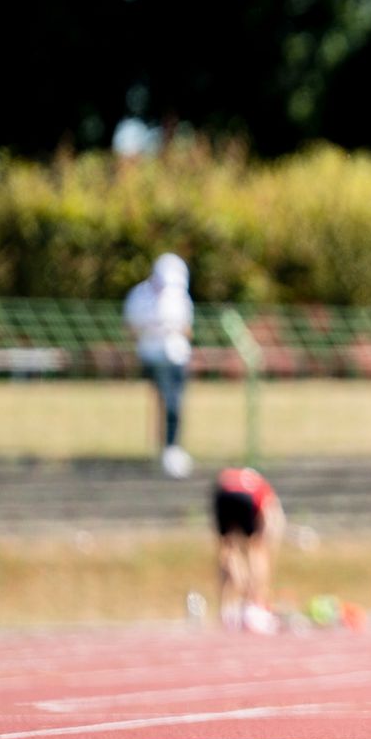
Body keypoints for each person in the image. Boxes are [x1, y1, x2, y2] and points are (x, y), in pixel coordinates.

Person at [124, 253, 194, 479]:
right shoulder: (140, 296)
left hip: (176, 354)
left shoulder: (179, 297)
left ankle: (171, 447)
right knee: (168, 401)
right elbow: (132, 328)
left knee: (175, 402)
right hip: (153, 353)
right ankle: (167, 447)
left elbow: (186, 329)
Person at [211, 465, 284, 632]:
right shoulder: (264, 490)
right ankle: (253, 602)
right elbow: (271, 526)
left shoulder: (233, 476)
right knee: (256, 549)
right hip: (246, 499)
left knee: (227, 549)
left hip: (222, 494)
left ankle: (223, 609)